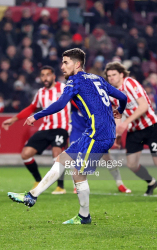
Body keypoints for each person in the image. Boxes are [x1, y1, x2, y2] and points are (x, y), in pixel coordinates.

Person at [8, 49, 128, 225]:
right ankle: (32, 195)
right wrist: (120, 111)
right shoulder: (97, 78)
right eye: (62, 63)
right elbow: (122, 97)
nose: (62, 66)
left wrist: (36, 115)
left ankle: (84, 216)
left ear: (77, 64)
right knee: (62, 159)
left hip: (98, 133)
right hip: (100, 131)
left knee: (78, 174)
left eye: (66, 63)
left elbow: (60, 104)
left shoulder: (75, 81)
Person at [105, 62, 157, 196]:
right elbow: (117, 115)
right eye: (109, 76)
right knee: (131, 165)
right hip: (134, 130)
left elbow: (144, 106)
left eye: (114, 75)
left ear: (121, 74)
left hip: (150, 126)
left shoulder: (130, 84)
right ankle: (151, 182)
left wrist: (126, 122)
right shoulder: (111, 93)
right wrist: (118, 134)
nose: (111, 78)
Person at [2, 66, 71, 194]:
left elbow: (77, 103)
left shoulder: (63, 88)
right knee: (25, 154)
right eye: (43, 75)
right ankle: (38, 180)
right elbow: (31, 108)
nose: (45, 78)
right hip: (45, 128)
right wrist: (14, 119)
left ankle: (60, 186)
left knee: (57, 153)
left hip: (61, 128)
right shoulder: (40, 92)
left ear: (53, 76)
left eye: (48, 75)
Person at [69, 107, 131, 194]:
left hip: (95, 129)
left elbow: (110, 110)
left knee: (107, 158)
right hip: (78, 129)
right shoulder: (74, 95)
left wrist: (115, 132)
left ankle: (120, 183)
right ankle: (77, 186)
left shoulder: (97, 96)